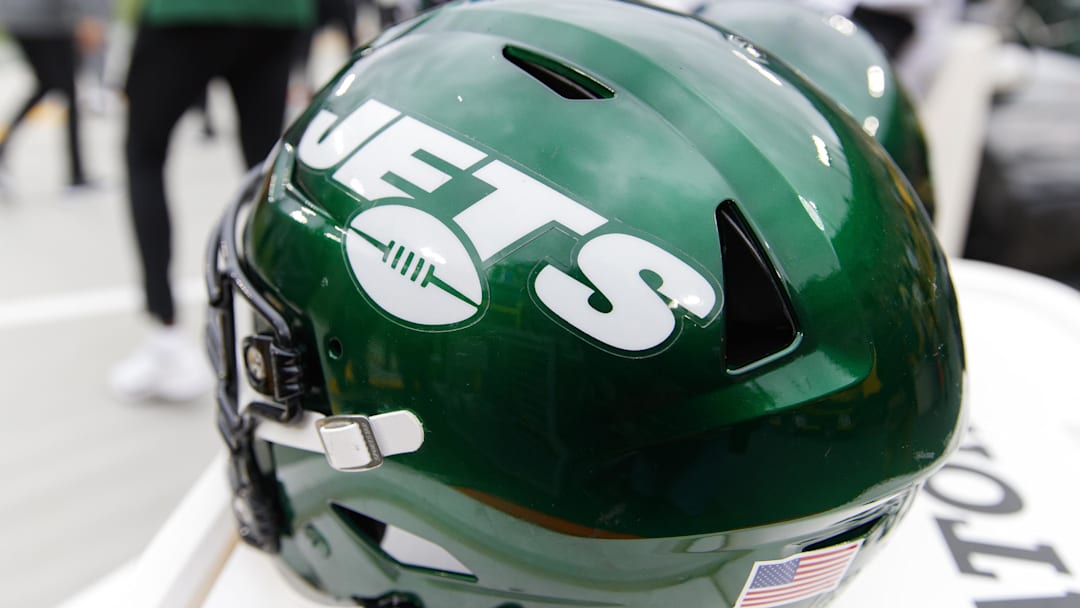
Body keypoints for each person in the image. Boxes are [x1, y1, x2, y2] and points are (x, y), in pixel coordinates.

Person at [108, 0, 314, 402]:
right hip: (275, 14)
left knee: (145, 156)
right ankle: (286, 333)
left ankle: (166, 332)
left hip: (187, 14)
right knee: (265, 171)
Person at [0, 0, 110, 194]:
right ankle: (77, 174)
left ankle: (77, 172)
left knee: (50, 86)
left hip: (21, 15)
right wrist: (88, 16)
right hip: (48, 21)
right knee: (65, 90)